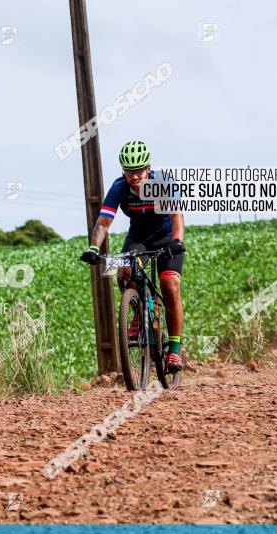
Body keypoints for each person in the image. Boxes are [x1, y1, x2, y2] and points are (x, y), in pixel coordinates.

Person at [80, 140, 186, 372]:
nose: (135, 177)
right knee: (125, 272)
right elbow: (104, 221)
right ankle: (139, 309)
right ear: (123, 171)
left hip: (167, 237)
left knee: (169, 284)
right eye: (129, 171)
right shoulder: (119, 188)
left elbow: (177, 217)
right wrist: (94, 248)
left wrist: (177, 242)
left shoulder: (162, 183)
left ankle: (175, 351)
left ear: (148, 168)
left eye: (139, 171)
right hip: (139, 236)